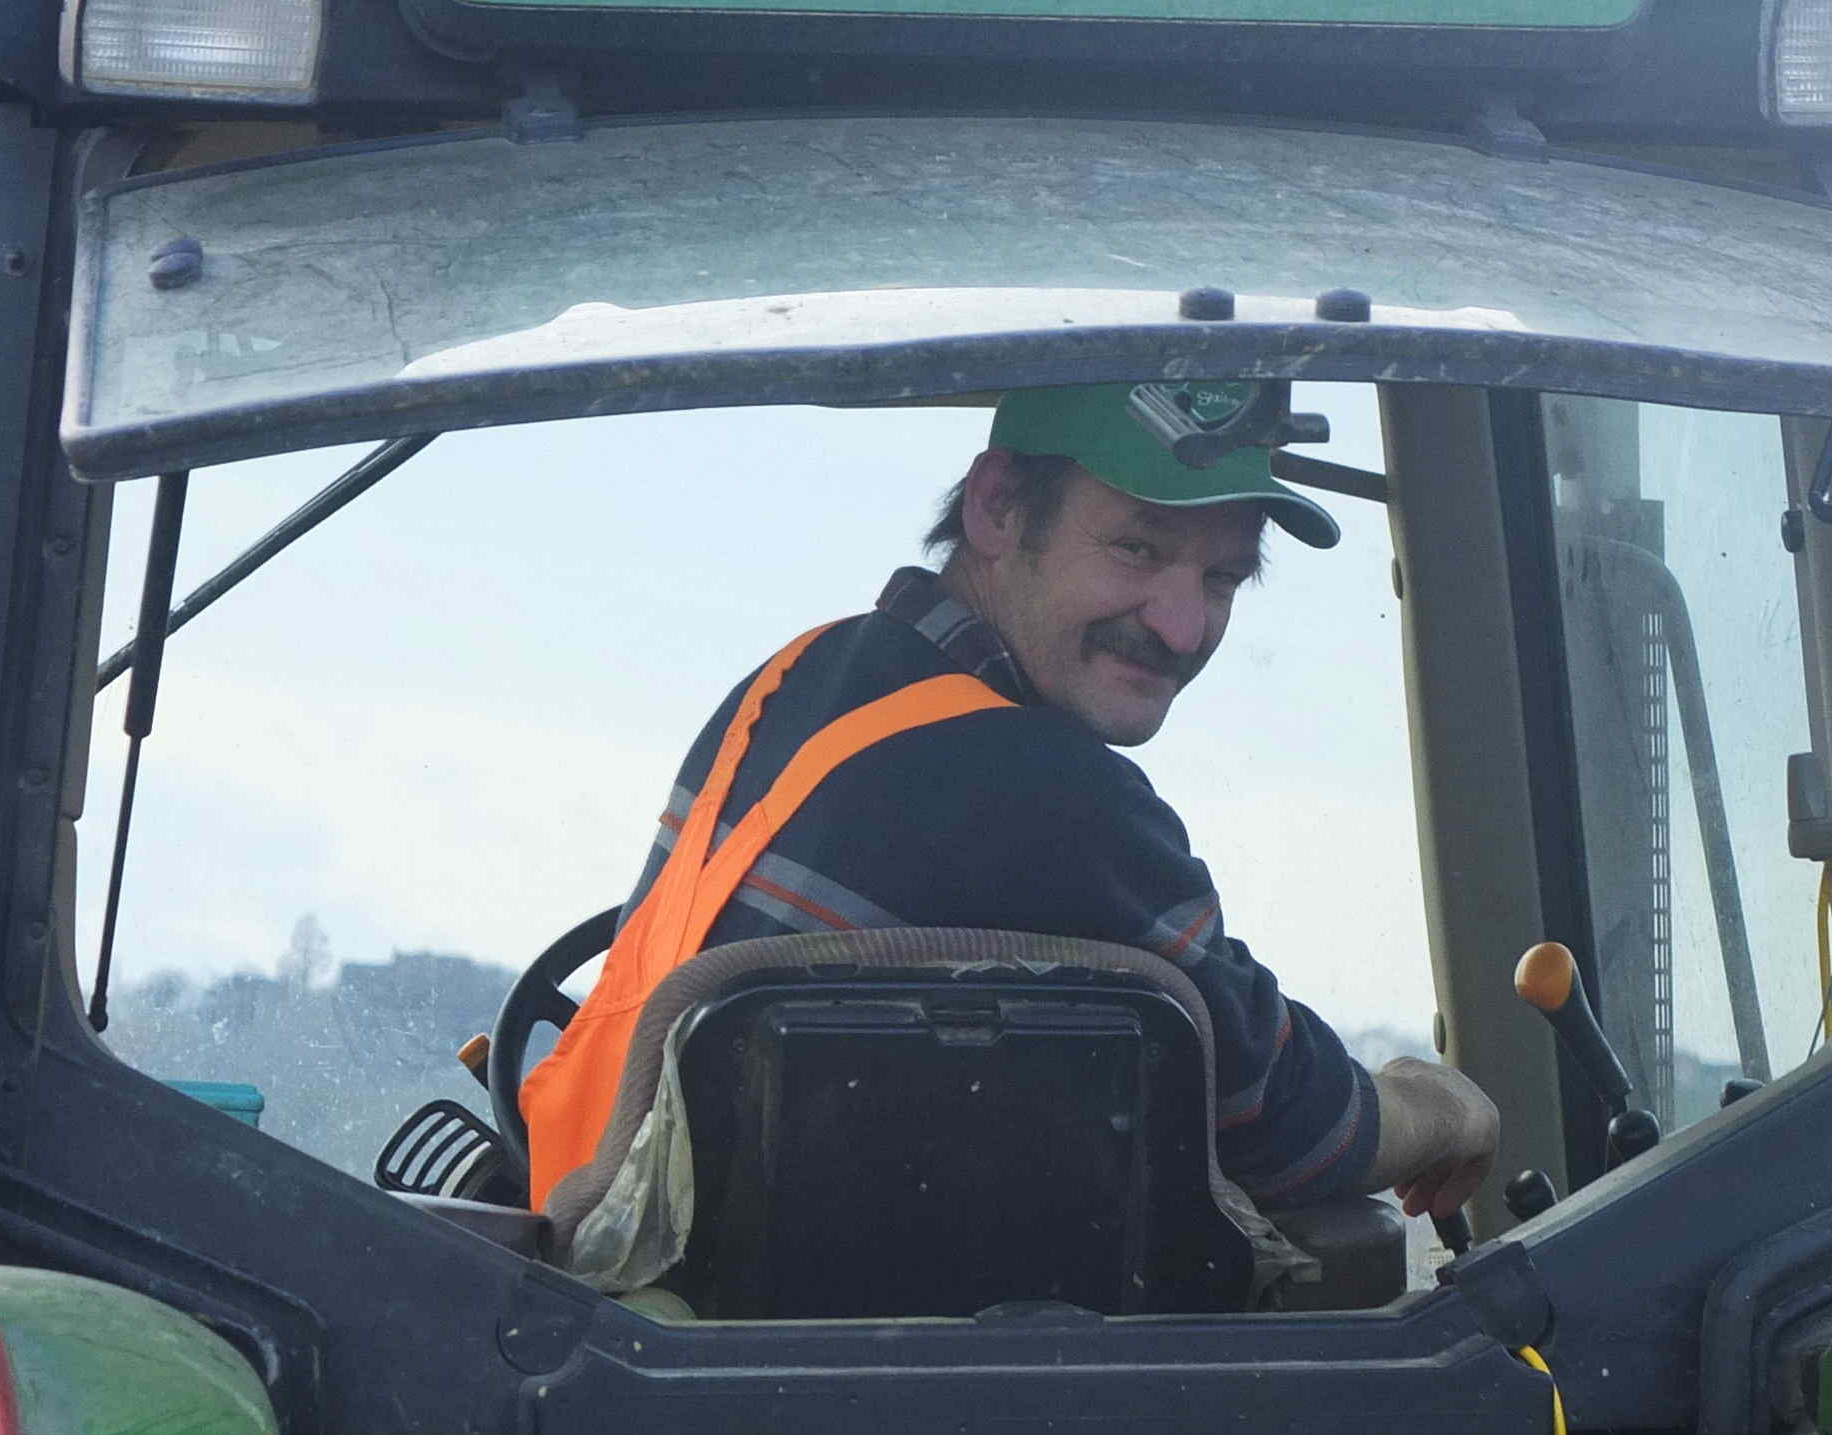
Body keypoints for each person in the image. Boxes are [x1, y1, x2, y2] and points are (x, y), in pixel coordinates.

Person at [522, 380, 1499, 1226]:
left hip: (618, 1289)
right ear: (996, 508)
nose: (1181, 622)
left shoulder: (796, 680)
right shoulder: (1042, 790)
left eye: (1220, 576)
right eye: (1133, 547)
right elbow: (1292, 1129)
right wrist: (1438, 1106)